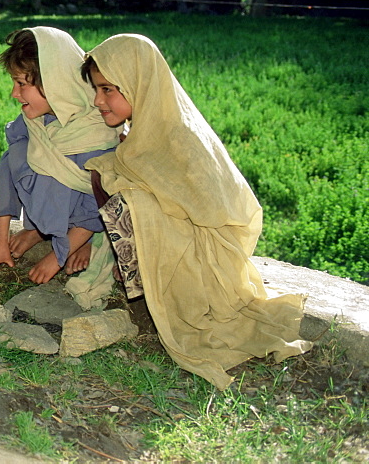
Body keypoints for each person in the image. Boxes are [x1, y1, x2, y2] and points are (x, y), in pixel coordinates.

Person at [82, 33, 310, 389]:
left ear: (138, 83)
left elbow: (212, 210)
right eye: (97, 90)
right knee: (110, 177)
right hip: (191, 234)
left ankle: (171, 296)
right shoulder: (145, 127)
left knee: (128, 196)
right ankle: (145, 287)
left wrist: (140, 197)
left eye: (108, 90)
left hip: (213, 249)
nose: (98, 100)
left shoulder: (177, 135)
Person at [0, 27, 122, 287]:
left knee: (99, 188)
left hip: (97, 211)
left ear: (55, 82)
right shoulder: (34, 121)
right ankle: (40, 229)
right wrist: (0, 240)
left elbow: (100, 203)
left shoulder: (96, 134)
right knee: (19, 153)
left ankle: (85, 239)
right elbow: (6, 170)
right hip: (72, 208)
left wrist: (58, 256)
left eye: (22, 84)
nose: (15, 93)